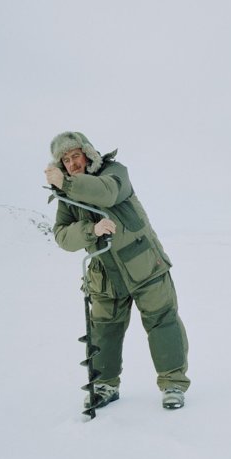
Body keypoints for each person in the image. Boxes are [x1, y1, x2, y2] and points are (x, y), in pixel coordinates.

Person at [44, 131, 190, 410]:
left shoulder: (114, 172)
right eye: (66, 160)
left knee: (163, 323)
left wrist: (66, 184)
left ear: (87, 153)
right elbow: (62, 236)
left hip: (145, 265)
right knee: (104, 331)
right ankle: (105, 386)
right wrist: (90, 230)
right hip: (104, 274)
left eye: (76, 155)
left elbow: (108, 193)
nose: (72, 163)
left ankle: (173, 384)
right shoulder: (66, 195)